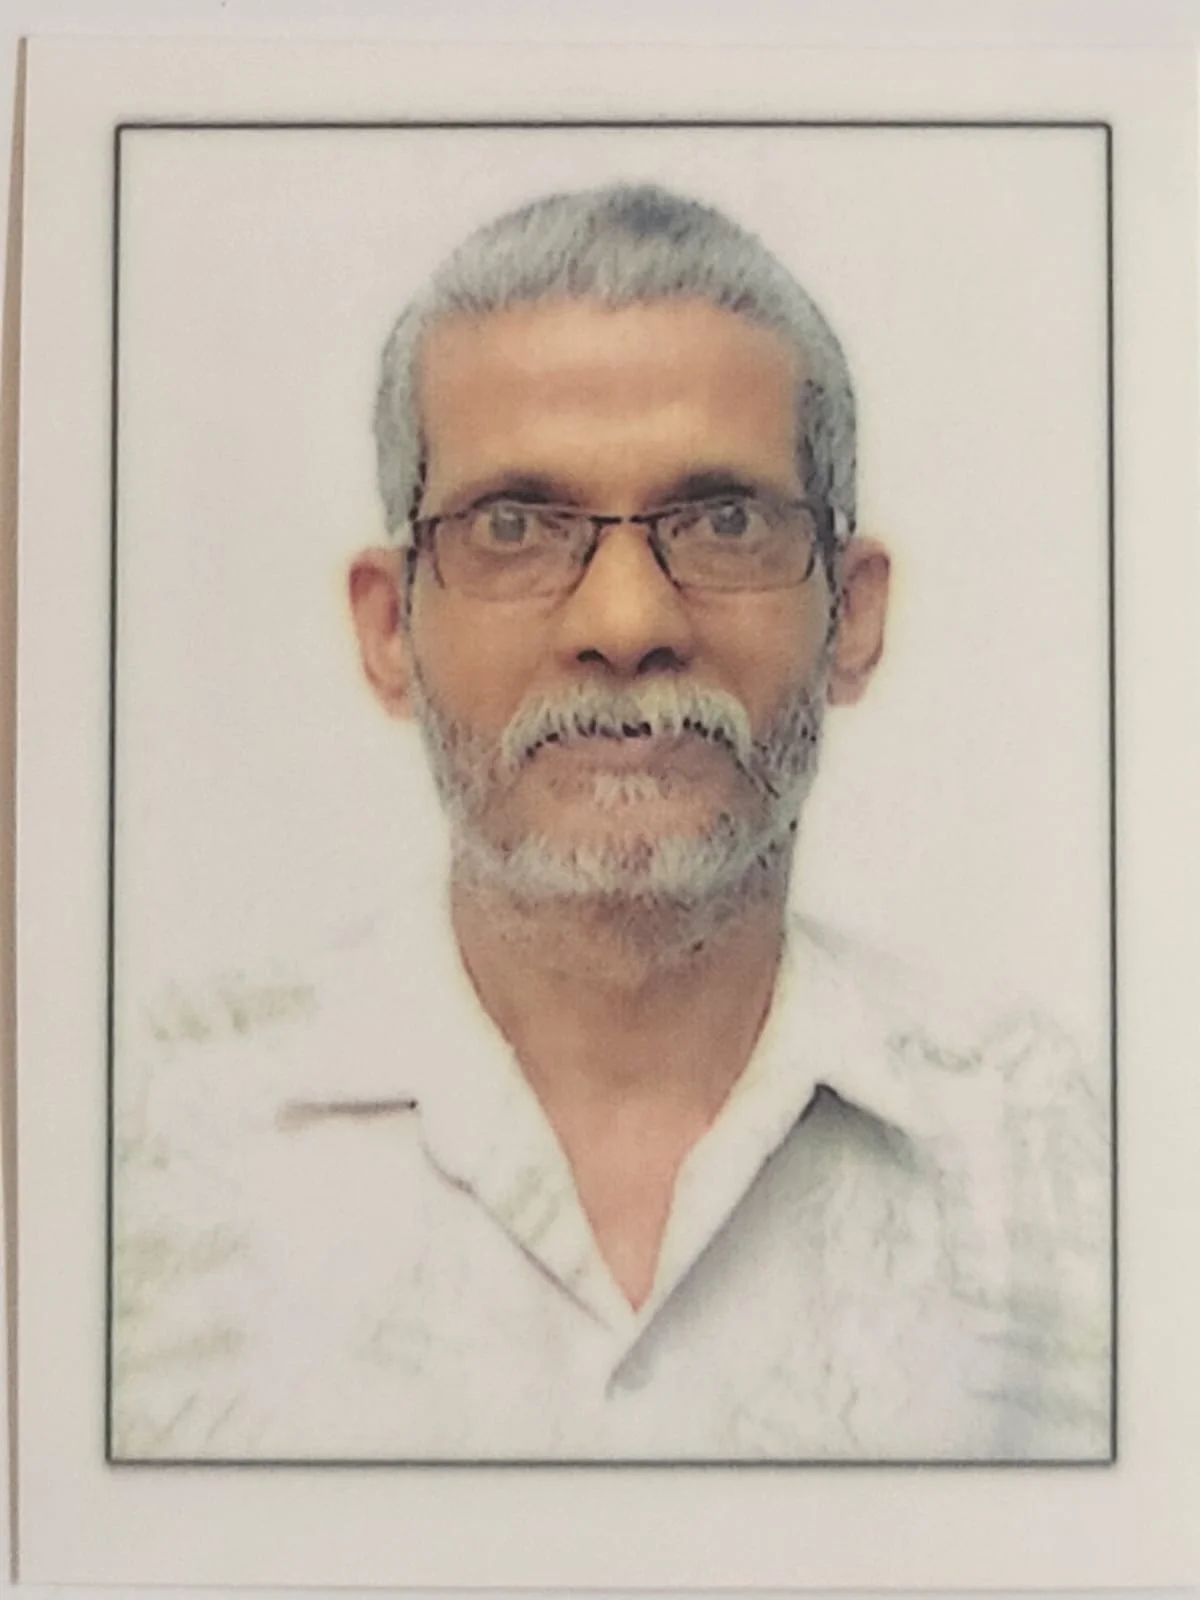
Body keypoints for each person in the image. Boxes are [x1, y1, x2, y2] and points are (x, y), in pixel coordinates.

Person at [112, 182, 1110, 1463]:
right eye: (514, 526)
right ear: (387, 628)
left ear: (852, 617)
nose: (627, 622)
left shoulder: (1069, 1176)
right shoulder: (140, 1154)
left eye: (725, 520)